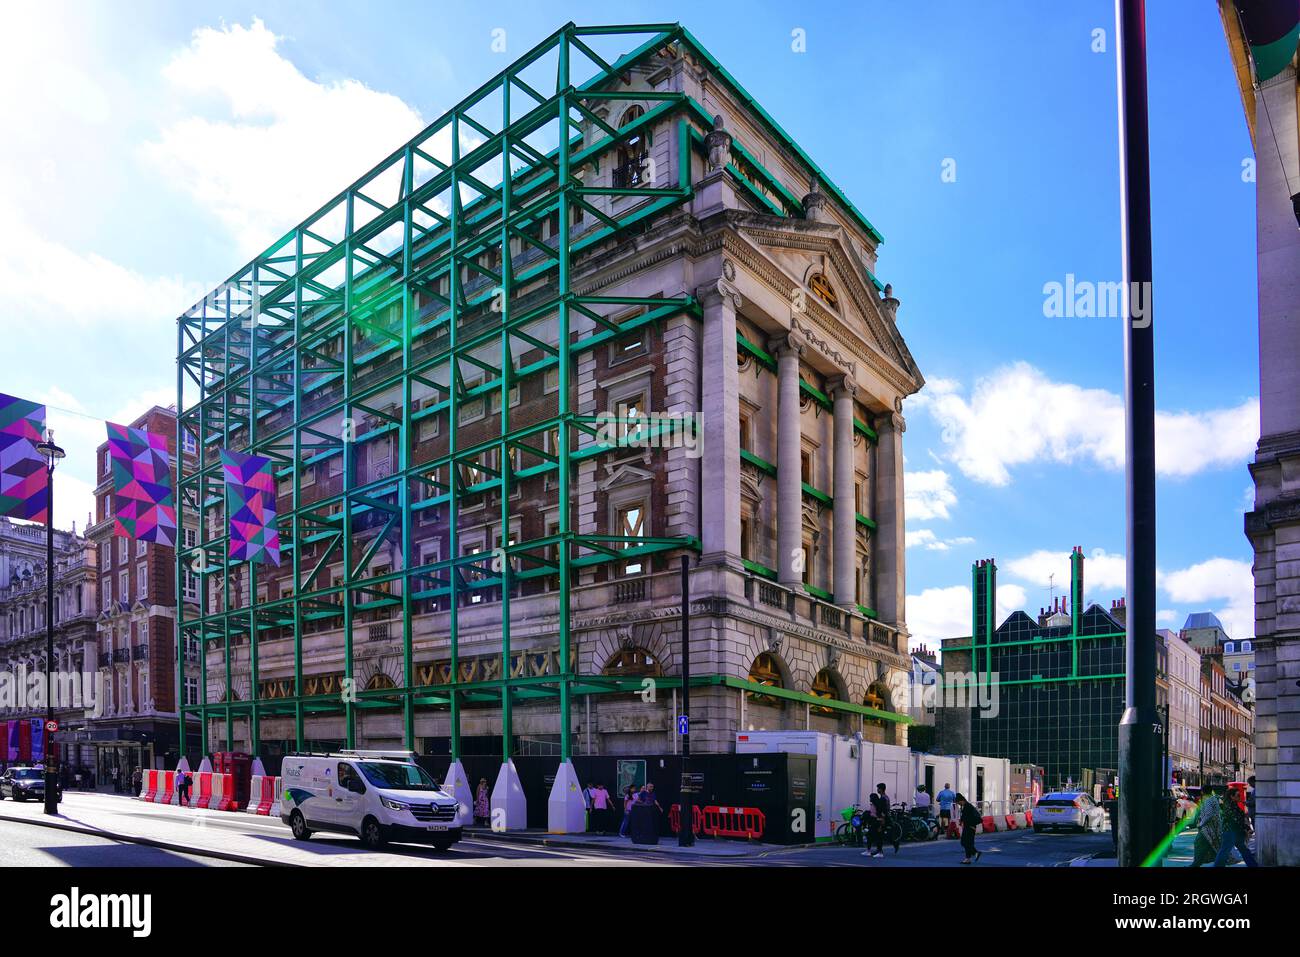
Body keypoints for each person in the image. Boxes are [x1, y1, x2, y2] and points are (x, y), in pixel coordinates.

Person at [1213, 782, 1258, 867]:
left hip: (1236, 832)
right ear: (1232, 796)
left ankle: (1253, 865)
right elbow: (1236, 819)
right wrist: (1247, 828)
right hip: (1230, 832)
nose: (1239, 797)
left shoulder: (1233, 805)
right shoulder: (1229, 806)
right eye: (1237, 795)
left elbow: (1239, 819)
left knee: (1243, 850)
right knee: (1225, 851)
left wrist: (1246, 827)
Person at [1191, 783, 1223, 867]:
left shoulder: (1208, 800)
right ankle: (1198, 863)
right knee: (1207, 845)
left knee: (1198, 843)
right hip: (1213, 827)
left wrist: (1201, 824)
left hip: (1207, 828)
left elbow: (1208, 814)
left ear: (1202, 792)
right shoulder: (1213, 799)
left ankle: (1196, 864)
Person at [956, 793, 982, 864]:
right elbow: (964, 816)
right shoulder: (966, 806)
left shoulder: (968, 806)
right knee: (965, 842)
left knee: (966, 842)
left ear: (961, 800)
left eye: (958, 802)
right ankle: (973, 855)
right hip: (968, 827)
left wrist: (967, 823)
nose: (958, 804)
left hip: (970, 827)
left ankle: (969, 857)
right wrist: (961, 821)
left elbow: (968, 816)